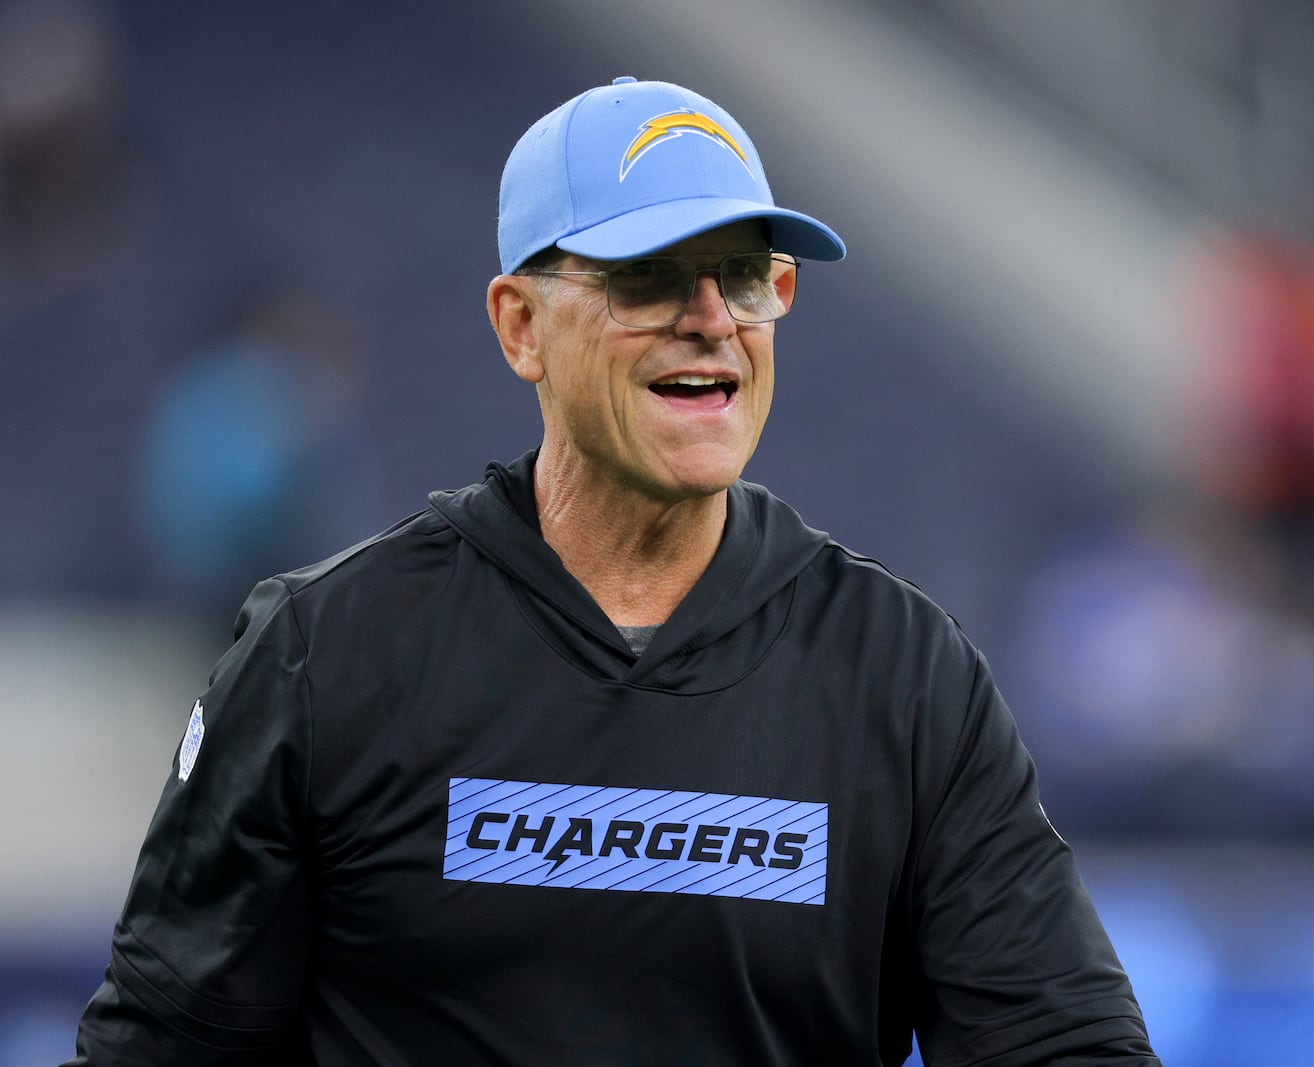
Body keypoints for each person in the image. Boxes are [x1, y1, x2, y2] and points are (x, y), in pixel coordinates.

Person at [67, 77, 1161, 1066]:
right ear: (520, 325)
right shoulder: (328, 653)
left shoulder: (902, 674)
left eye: (743, 276)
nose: (710, 320)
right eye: (649, 277)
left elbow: (1060, 1046)